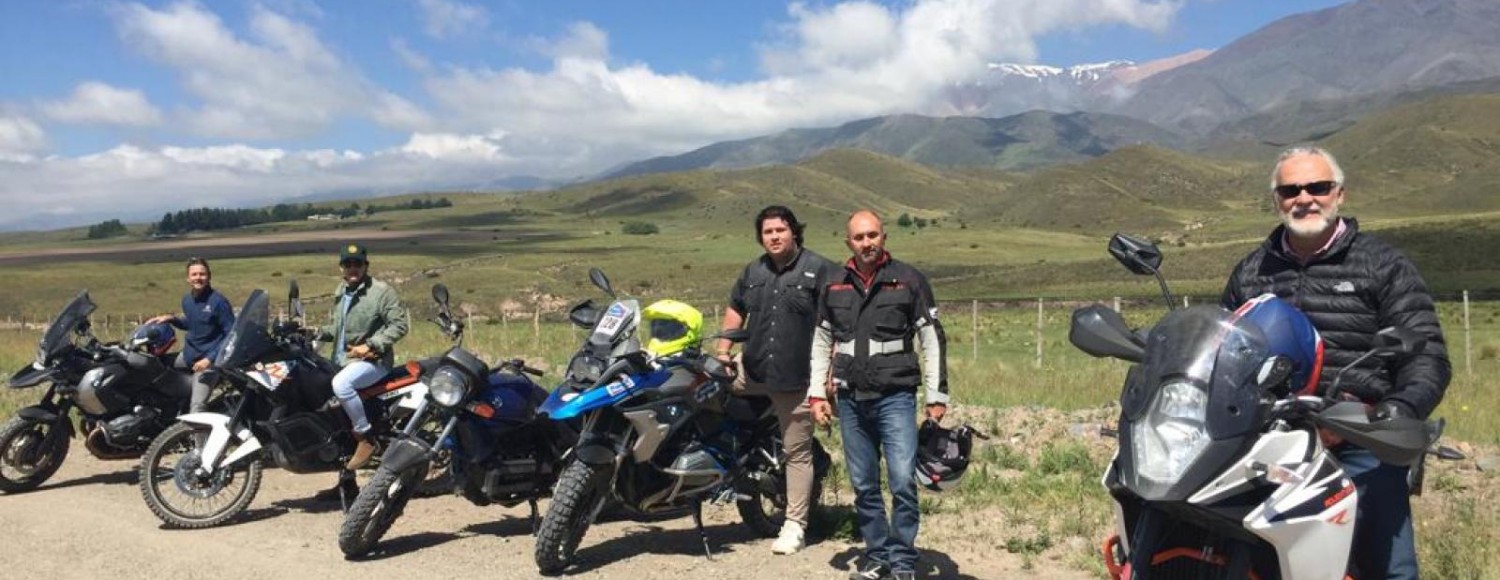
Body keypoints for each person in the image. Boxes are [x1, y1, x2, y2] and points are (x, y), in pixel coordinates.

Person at [1221, 145, 1450, 579]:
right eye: (1290, 190)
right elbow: (1223, 346)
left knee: (1388, 567)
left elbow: (1426, 356)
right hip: (1269, 441)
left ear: (1339, 194)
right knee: (1251, 558)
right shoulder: (1252, 272)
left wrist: (1395, 410)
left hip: (1359, 438)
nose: (1304, 198)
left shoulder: (1382, 265)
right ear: (1277, 200)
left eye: (1318, 187)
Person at [807, 210, 949, 580]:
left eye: (872, 235)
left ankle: (902, 562)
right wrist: (816, 394)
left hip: (895, 396)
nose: (867, 243)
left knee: (902, 481)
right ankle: (877, 557)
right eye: (859, 237)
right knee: (864, 484)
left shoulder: (908, 280)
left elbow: (931, 338)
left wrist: (937, 395)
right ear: (848, 242)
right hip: (851, 398)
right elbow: (821, 340)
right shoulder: (833, 283)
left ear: (884, 237)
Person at [716, 205, 837, 556]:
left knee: (796, 451)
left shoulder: (821, 269)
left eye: (780, 230)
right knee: (700, 387)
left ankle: (795, 524)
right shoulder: (753, 271)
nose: (774, 236)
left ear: (794, 232)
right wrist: (723, 350)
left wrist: (829, 373)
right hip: (752, 370)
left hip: (796, 379)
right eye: (768, 232)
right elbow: (736, 306)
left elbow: (840, 320)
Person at [314, 243, 410, 470]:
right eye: (348, 264)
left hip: (373, 361)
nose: (353, 268)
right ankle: (346, 480)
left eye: (357, 263)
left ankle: (365, 437)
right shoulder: (342, 291)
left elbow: (399, 325)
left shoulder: (381, 292)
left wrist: (371, 345)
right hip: (342, 360)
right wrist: (315, 332)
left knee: (341, 384)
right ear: (341, 268)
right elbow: (340, 329)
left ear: (366, 265)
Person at [146, 257, 234, 414]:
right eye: (194, 274)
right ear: (188, 278)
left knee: (197, 408)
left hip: (208, 363)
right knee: (153, 365)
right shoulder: (187, 300)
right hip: (188, 356)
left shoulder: (218, 302)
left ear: (209, 276)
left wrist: (209, 359)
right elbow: (193, 323)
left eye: (202, 274)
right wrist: (172, 319)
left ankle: (198, 430)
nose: (198, 278)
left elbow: (231, 335)